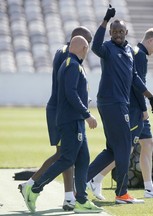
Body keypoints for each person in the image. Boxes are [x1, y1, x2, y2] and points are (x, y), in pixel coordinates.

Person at [21, 36, 103, 213]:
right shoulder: (72, 65)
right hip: (71, 121)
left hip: (75, 121)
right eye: (87, 49)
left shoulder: (71, 64)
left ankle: (81, 200)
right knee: (66, 159)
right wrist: (87, 114)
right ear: (84, 48)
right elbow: (70, 93)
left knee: (83, 159)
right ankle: (33, 188)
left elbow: (73, 93)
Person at [88, 5, 153, 204]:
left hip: (120, 103)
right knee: (124, 146)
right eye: (115, 31)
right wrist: (105, 20)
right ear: (110, 33)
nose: (118, 34)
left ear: (126, 33)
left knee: (113, 149)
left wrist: (151, 97)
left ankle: (82, 180)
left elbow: (135, 78)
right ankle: (121, 194)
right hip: (111, 102)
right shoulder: (107, 49)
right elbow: (94, 46)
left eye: (121, 31)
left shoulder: (129, 50)